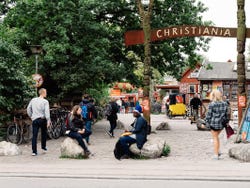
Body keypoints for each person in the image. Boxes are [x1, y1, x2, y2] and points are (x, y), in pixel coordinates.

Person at [204, 90, 228, 160]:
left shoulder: (212, 104)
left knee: (215, 138)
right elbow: (227, 115)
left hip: (214, 123)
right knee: (216, 137)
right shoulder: (225, 104)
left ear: (213, 96)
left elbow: (208, 115)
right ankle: (218, 151)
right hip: (222, 123)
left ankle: (216, 155)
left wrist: (206, 123)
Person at [27, 88, 51, 156]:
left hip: (35, 119)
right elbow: (47, 112)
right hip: (42, 119)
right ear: (43, 93)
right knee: (43, 133)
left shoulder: (33, 100)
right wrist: (48, 120)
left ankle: (34, 151)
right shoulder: (45, 101)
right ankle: (43, 147)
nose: (46, 93)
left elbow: (28, 108)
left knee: (34, 135)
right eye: (46, 92)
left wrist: (31, 116)